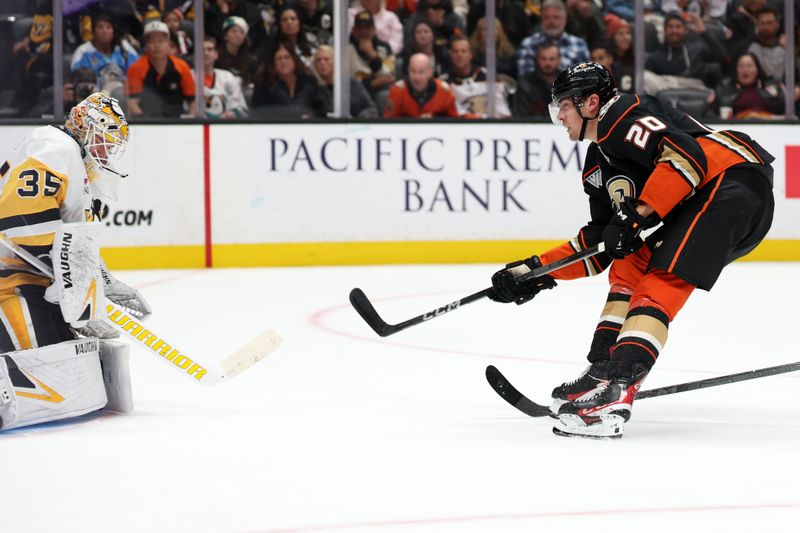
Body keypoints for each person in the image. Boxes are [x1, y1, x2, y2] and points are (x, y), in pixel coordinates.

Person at [488, 62, 774, 439]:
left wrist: (639, 213)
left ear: (591, 102)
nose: (559, 115)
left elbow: (685, 156)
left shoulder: (621, 115)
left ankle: (618, 390)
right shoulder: (597, 163)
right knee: (628, 265)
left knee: (661, 278)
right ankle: (603, 371)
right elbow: (603, 242)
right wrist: (535, 272)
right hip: (712, 195)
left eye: (564, 105)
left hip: (731, 180)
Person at [0, 92, 149, 430]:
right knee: (50, 378)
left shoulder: (72, 157)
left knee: (77, 368)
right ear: (85, 126)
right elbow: (19, 221)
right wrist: (76, 292)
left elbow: (73, 241)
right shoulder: (55, 148)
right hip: (10, 282)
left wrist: (104, 285)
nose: (107, 151)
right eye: (105, 141)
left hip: (29, 281)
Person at [126, 21, 196, 118]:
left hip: (177, 121)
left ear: (168, 44)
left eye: (161, 41)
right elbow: (133, 103)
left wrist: (190, 121)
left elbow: (192, 101)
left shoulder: (182, 67)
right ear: (146, 45)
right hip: (147, 120)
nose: (157, 45)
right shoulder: (135, 68)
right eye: (152, 41)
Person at [251, 42, 329, 118]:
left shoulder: (309, 82)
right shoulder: (263, 85)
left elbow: (321, 109)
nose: (283, 62)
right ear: (273, 63)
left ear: (294, 60)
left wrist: (311, 116)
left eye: (287, 57)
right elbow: (258, 113)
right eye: (279, 59)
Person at [442, 35, 511, 118]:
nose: (459, 55)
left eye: (463, 51)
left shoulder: (488, 76)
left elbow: (501, 109)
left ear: (471, 54)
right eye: (456, 51)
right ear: (451, 55)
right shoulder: (443, 82)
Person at [515, 0, 589, 78]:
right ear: (541, 20)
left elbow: (585, 78)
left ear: (565, 20)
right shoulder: (528, 44)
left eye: (556, 17)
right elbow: (525, 78)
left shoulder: (579, 44)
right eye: (547, 17)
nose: (551, 21)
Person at [70, 13, 139, 94]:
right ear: (94, 32)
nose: (104, 31)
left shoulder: (124, 48)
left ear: (113, 32)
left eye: (108, 27)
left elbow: (137, 74)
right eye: (100, 27)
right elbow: (77, 82)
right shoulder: (83, 51)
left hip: (125, 95)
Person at [349, 10, 397, 112]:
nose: (364, 32)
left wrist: (372, 55)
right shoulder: (345, 49)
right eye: (360, 28)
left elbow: (389, 76)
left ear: (374, 29)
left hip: (380, 90)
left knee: (385, 95)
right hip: (356, 92)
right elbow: (348, 80)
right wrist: (373, 83)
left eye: (368, 28)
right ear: (354, 30)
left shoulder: (384, 47)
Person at [384, 52, 458, 117]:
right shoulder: (397, 91)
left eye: (421, 72)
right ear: (408, 70)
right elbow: (389, 123)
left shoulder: (444, 91)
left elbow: (454, 122)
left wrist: (434, 121)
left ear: (430, 72)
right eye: (413, 71)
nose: (416, 77)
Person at [314, 45, 379, 118]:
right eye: (318, 60)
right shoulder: (315, 89)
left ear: (335, 62)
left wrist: (359, 120)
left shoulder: (350, 83)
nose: (322, 63)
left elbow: (370, 109)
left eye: (326, 59)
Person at [717, 52, 785, 119]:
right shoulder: (726, 89)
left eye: (749, 66)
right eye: (741, 66)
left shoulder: (770, 87)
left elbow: (783, 109)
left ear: (757, 69)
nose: (745, 69)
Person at [202, 36, 248, 119]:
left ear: (216, 54)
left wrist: (231, 114)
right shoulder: (189, 76)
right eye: (202, 50)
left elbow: (239, 107)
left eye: (209, 49)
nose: (205, 53)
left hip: (225, 127)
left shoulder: (228, 77)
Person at [512, 41, 560, 117]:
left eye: (552, 59)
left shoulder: (566, 82)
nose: (548, 63)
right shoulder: (525, 84)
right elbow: (519, 116)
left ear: (559, 60)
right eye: (543, 59)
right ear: (537, 60)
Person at [747, 7, 785, 83]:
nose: (766, 27)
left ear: (777, 24)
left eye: (769, 23)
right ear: (757, 25)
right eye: (762, 23)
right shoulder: (750, 49)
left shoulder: (785, 47)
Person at [216, 16, 257, 86]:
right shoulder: (216, 57)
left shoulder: (250, 60)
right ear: (225, 35)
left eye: (241, 32)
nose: (238, 35)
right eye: (233, 31)